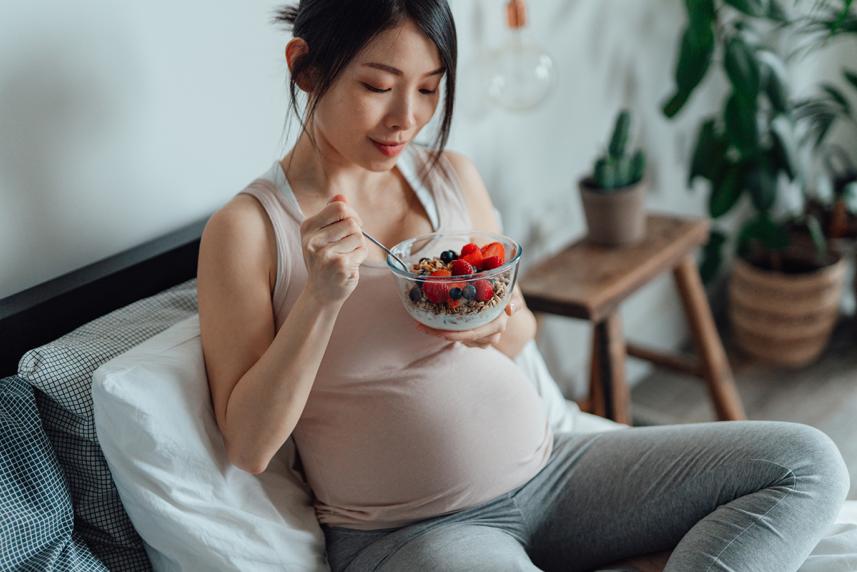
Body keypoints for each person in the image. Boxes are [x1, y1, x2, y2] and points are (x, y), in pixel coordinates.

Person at [196, 1, 851, 570]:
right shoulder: (250, 229)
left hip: (554, 474)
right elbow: (251, 446)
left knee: (807, 463)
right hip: (412, 533)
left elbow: (519, 328)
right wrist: (320, 300)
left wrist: (491, 324)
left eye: (429, 89)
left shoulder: (449, 176)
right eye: (377, 85)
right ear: (305, 67)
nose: (406, 118)